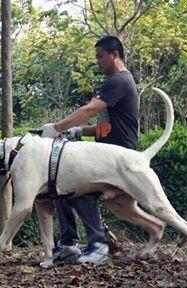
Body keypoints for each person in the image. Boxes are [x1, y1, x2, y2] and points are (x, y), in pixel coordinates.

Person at [40, 36, 139, 265]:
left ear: (114, 54)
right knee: (61, 184)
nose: (98, 62)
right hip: (108, 154)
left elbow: (90, 110)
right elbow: (104, 127)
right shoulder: (117, 83)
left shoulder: (119, 81)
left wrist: (56, 128)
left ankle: (98, 246)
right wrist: (77, 131)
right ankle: (68, 246)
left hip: (118, 157)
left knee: (80, 188)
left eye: (100, 56)